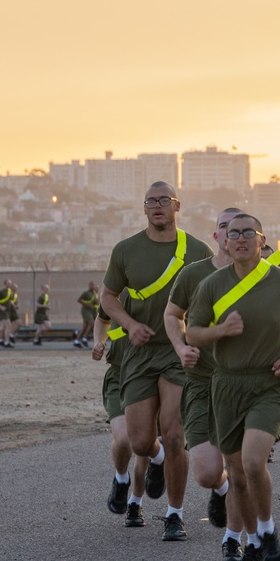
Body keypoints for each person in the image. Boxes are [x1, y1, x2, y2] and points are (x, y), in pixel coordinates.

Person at [186, 213, 280, 561]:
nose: (241, 239)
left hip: (269, 384)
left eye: (249, 233)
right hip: (227, 384)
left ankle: (266, 531)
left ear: (262, 241)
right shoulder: (212, 284)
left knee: (251, 462)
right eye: (234, 234)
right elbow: (193, 333)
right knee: (237, 474)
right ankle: (252, 545)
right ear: (225, 242)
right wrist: (220, 331)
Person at [100, 181, 213, 542]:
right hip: (138, 353)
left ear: (176, 205)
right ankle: (157, 460)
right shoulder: (126, 250)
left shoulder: (197, 250)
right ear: (144, 208)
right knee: (139, 442)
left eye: (164, 200)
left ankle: (174, 514)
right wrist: (129, 325)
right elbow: (107, 297)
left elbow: (217, 295)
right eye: (151, 201)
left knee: (175, 432)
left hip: (179, 352)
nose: (158, 206)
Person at [165, 208, 246, 561]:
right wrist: (181, 347)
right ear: (217, 236)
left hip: (244, 384)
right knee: (207, 472)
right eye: (227, 229)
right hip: (201, 382)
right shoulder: (194, 274)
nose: (234, 236)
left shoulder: (266, 277)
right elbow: (171, 314)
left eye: (242, 231)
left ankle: (234, 539)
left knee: (244, 465)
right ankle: (222, 489)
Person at [91, 304, 148, 528]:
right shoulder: (116, 287)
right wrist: (99, 342)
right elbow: (102, 318)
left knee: (144, 442)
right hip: (118, 373)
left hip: (147, 373)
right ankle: (121, 478)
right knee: (123, 439)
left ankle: (136, 501)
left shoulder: (166, 282)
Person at [76, 282, 99, 348]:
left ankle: (77, 341)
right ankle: (84, 338)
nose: (93, 287)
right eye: (92, 285)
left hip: (92, 311)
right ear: (89, 286)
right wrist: (87, 304)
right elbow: (79, 300)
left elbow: (96, 303)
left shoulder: (94, 294)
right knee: (92, 323)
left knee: (85, 327)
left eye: (94, 285)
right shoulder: (86, 293)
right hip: (85, 310)